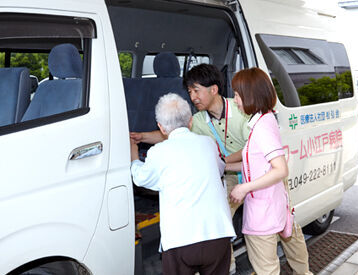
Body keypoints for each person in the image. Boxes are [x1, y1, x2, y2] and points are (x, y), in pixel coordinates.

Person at [130, 64, 250, 274]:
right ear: (191, 120)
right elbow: (218, 166)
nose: (194, 96)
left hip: (181, 241)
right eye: (190, 92)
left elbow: (140, 177)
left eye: (196, 90)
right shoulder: (207, 141)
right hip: (217, 236)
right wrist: (142, 136)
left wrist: (133, 153)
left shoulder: (158, 153)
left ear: (160, 125)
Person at [229, 67, 313, 275]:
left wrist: (243, 187)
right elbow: (256, 164)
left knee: (266, 269)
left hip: (262, 213)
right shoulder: (264, 120)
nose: (235, 100)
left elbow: (279, 169)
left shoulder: (262, 128)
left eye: (238, 94)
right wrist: (225, 166)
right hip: (269, 205)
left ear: (250, 95)